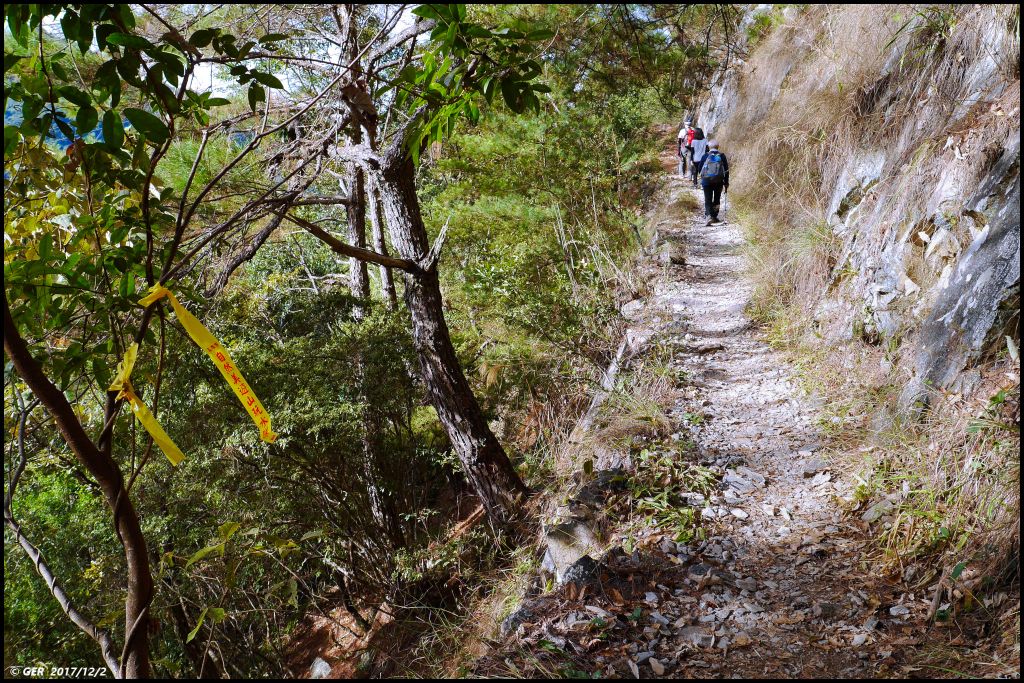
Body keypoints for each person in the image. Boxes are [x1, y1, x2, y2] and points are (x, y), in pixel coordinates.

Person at [699, 139, 729, 224]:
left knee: (707, 199)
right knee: (716, 199)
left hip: (706, 181)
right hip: (719, 181)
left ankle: (708, 216)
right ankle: (714, 216)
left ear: (709, 147)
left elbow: (700, 168)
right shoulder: (722, 156)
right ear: (718, 146)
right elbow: (726, 170)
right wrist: (726, 182)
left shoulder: (705, 156)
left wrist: (703, 177)